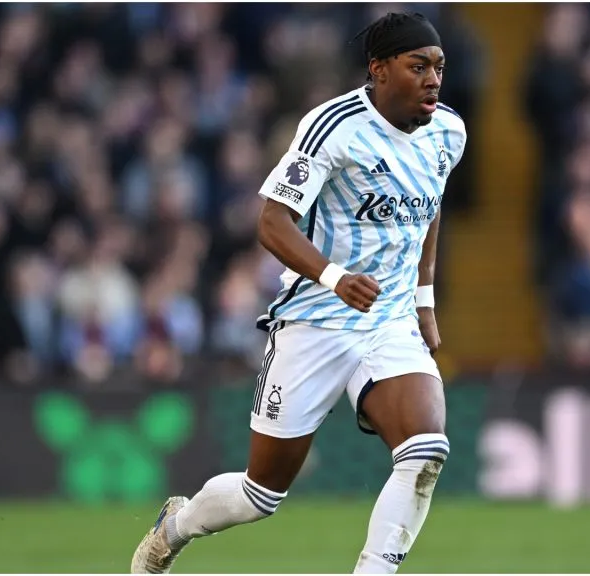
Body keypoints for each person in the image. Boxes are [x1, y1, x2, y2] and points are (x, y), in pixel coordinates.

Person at [130, 11, 466, 574]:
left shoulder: (449, 131)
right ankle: (177, 526)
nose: (433, 78)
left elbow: (428, 208)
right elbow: (273, 222)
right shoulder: (333, 125)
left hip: (387, 321)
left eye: (439, 67)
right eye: (418, 66)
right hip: (316, 318)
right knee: (260, 495)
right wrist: (334, 277)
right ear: (379, 70)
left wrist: (423, 299)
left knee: (426, 449)